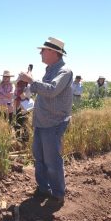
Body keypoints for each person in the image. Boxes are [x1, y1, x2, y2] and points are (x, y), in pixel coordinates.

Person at [18, 37, 73, 206]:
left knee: (52, 160)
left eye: (43, 50)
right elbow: (42, 91)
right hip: (42, 122)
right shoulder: (49, 70)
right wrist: (25, 88)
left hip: (53, 123)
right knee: (40, 158)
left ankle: (57, 194)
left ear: (53, 52)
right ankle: (43, 188)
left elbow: (51, 90)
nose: (40, 53)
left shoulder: (64, 71)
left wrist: (31, 81)